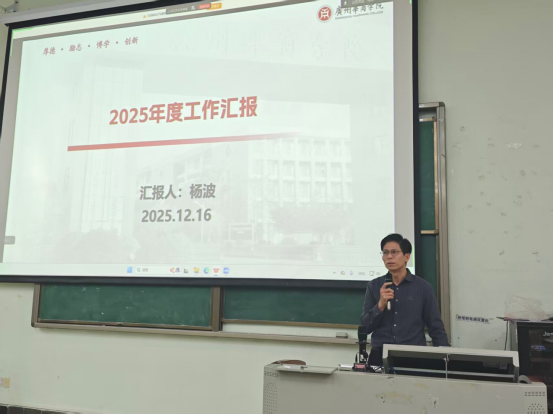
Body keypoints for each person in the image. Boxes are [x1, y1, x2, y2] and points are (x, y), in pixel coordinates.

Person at [361, 234, 449, 367]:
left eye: (394, 252)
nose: (389, 257)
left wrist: (445, 360)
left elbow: (436, 327)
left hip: (413, 355)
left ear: (407, 256)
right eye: (385, 253)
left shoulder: (423, 288)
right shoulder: (373, 286)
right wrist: (380, 305)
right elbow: (365, 328)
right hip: (380, 355)